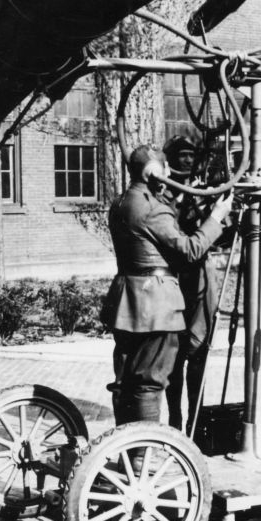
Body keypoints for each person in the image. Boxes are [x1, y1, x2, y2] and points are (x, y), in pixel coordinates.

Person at [101, 143, 233, 427]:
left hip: (127, 303)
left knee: (126, 379)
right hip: (156, 306)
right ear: (155, 173)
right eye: (166, 169)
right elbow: (190, 249)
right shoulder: (153, 209)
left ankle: (126, 446)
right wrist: (216, 217)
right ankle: (142, 456)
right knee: (150, 380)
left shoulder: (120, 203)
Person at [163, 135, 225, 434]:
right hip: (176, 276)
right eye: (181, 155)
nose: (186, 160)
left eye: (190, 155)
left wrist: (207, 205)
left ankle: (195, 421)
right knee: (174, 357)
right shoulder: (163, 190)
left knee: (199, 351)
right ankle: (175, 421)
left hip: (200, 274)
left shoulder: (203, 190)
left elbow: (219, 230)